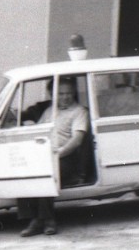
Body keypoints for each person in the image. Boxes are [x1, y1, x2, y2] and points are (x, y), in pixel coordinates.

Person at [18, 77, 89, 237]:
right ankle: (35, 219)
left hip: (67, 157)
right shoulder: (50, 110)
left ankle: (45, 221)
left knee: (46, 173)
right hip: (46, 155)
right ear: (53, 94)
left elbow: (76, 140)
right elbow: (39, 130)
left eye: (69, 93)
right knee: (22, 170)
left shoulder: (79, 112)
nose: (65, 97)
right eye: (61, 93)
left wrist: (58, 153)